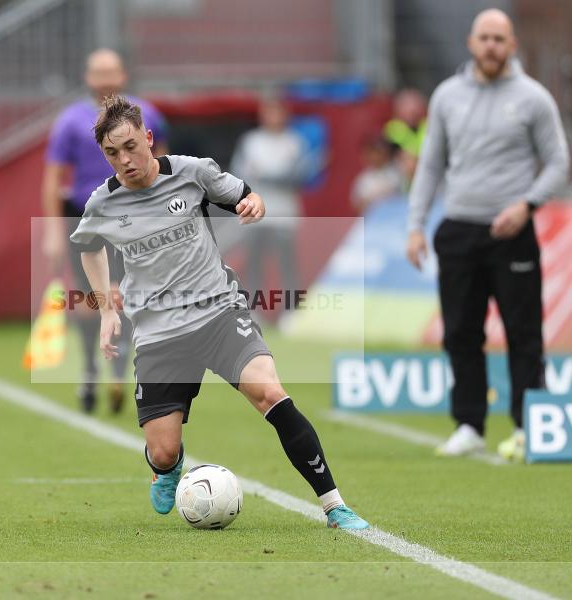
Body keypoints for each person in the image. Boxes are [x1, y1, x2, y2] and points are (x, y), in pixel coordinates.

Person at [69, 95, 368, 530]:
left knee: (270, 393)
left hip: (219, 314)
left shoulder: (193, 172)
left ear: (148, 138)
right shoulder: (104, 202)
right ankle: (167, 469)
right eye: (112, 154)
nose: (125, 160)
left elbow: (247, 196)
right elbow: (88, 247)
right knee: (165, 449)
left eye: (131, 146)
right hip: (159, 333)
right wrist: (106, 311)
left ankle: (334, 505)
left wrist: (254, 204)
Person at [405, 9, 570, 462]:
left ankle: (528, 425)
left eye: (500, 38)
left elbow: (558, 162)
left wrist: (527, 205)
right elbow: (431, 164)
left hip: (512, 232)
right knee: (460, 331)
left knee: (523, 332)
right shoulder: (447, 97)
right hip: (458, 229)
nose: (492, 45)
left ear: (512, 44)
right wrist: (415, 226)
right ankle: (469, 424)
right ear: (471, 42)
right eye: (485, 38)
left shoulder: (534, 98)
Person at [41, 48, 168, 414]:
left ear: (123, 75)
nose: (106, 80)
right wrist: (52, 230)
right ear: (88, 78)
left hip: (134, 216)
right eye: (99, 72)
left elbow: (167, 168)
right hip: (85, 217)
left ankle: (118, 362)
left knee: (127, 293)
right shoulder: (70, 121)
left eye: (111, 72)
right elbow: (53, 178)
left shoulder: (148, 116)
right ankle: (92, 367)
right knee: (88, 298)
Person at [230, 96, 308, 316]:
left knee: (288, 266)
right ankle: (254, 310)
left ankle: (291, 312)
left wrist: (263, 174)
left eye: (277, 112)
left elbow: (297, 175)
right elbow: (240, 177)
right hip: (255, 217)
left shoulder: (295, 142)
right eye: (268, 112)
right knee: (253, 265)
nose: (273, 117)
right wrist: (275, 174)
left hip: (285, 215)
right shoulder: (250, 141)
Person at [350, 135, 403, 212]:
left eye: (378, 152)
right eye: (372, 152)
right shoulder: (364, 178)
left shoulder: (398, 172)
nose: (375, 156)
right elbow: (357, 204)